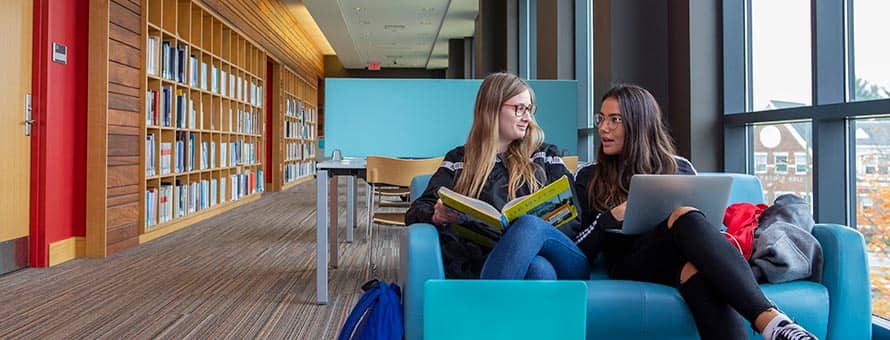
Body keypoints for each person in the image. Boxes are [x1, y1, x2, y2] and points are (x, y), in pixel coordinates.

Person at [571, 84, 817, 340]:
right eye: (601, 118)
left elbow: (710, 229)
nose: (603, 128)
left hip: (677, 258)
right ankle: (772, 322)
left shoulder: (679, 168)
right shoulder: (588, 176)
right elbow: (577, 250)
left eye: (615, 120)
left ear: (639, 124)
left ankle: (776, 327)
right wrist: (612, 216)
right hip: (627, 262)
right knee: (684, 214)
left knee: (695, 270)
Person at [405, 72, 588, 280]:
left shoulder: (546, 156)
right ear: (492, 108)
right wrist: (437, 215)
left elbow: (574, 217)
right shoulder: (459, 159)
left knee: (528, 227)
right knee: (538, 270)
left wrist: (523, 241)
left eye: (529, 109)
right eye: (519, 109)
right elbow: (416, 211)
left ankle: (486, 307)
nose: (527, 118)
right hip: (497, 261)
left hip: (557, 255)